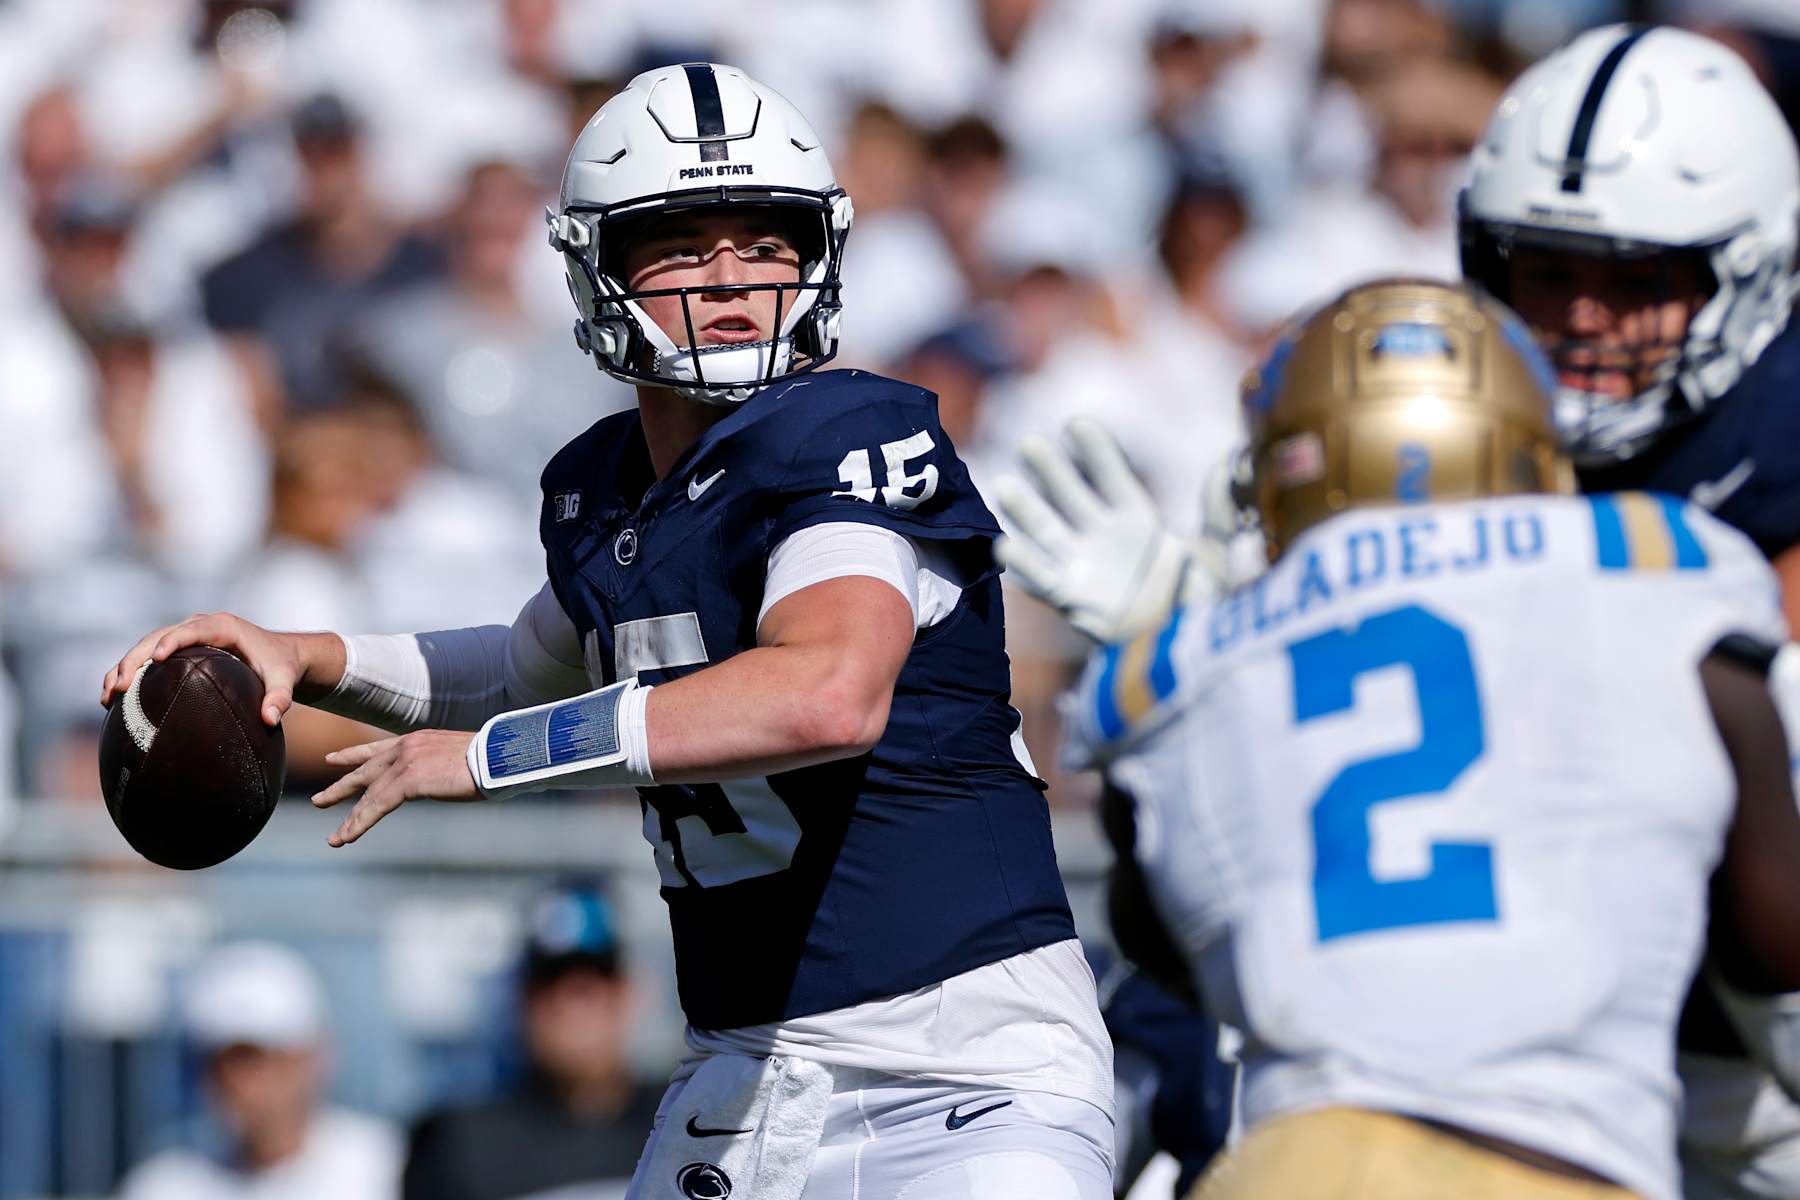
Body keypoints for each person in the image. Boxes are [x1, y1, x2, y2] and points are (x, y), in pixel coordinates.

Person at [102, 63, 1114, 1200]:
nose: (732, 281)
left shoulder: (846, 436)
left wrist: (494, 765)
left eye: (765, 241)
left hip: (962, 1062)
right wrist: (308, 655)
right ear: (599, 265)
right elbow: (513, 669)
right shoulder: (617, 492)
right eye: (686, 243)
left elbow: (826, 692)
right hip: (748, 1072)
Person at [1068, 279, 1800, 1199]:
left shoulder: (1174, 668)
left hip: (1288, 1165)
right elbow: (1776, 940)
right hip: (1551, 1164)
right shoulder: (1662, 564)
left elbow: (1168, 940)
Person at [402, 883, 661, 1200]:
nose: (568, 1003)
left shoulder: (691, 1120)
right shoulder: (457, 1143)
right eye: (549, 982)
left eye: (590, 984)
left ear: (630, 993)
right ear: (519, 999)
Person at [115, 940, 402, 1200]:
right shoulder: (166, 1185)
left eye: (253, 1058)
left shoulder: (388, 1169)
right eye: (216, 1060)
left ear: (311, 1057)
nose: (235, 1080)